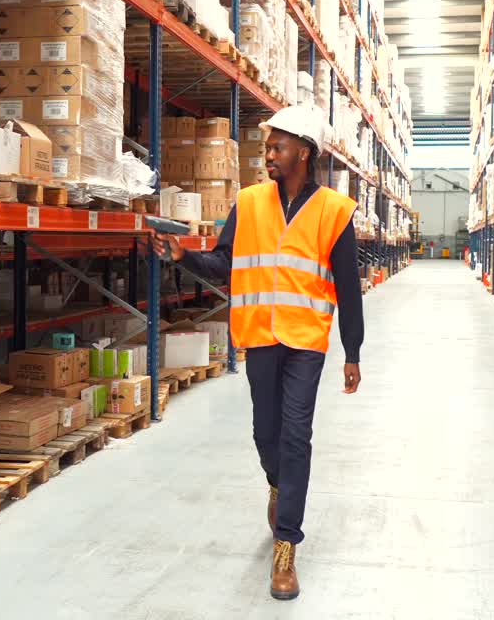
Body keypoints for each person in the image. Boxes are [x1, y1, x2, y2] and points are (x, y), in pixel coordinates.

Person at [152, 105, 364, 601]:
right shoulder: (248, 203)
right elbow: (225, 262)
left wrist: (352, 351)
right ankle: (278, 484)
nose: (268, 154)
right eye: (267, 146)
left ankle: (286, 545)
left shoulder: (335, 211)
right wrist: (186, 256)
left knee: (296, 437)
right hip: (259, 338)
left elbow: (349, 290)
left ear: (304, 154)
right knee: (265, 434)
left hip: (306, 341)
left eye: (277, 146)